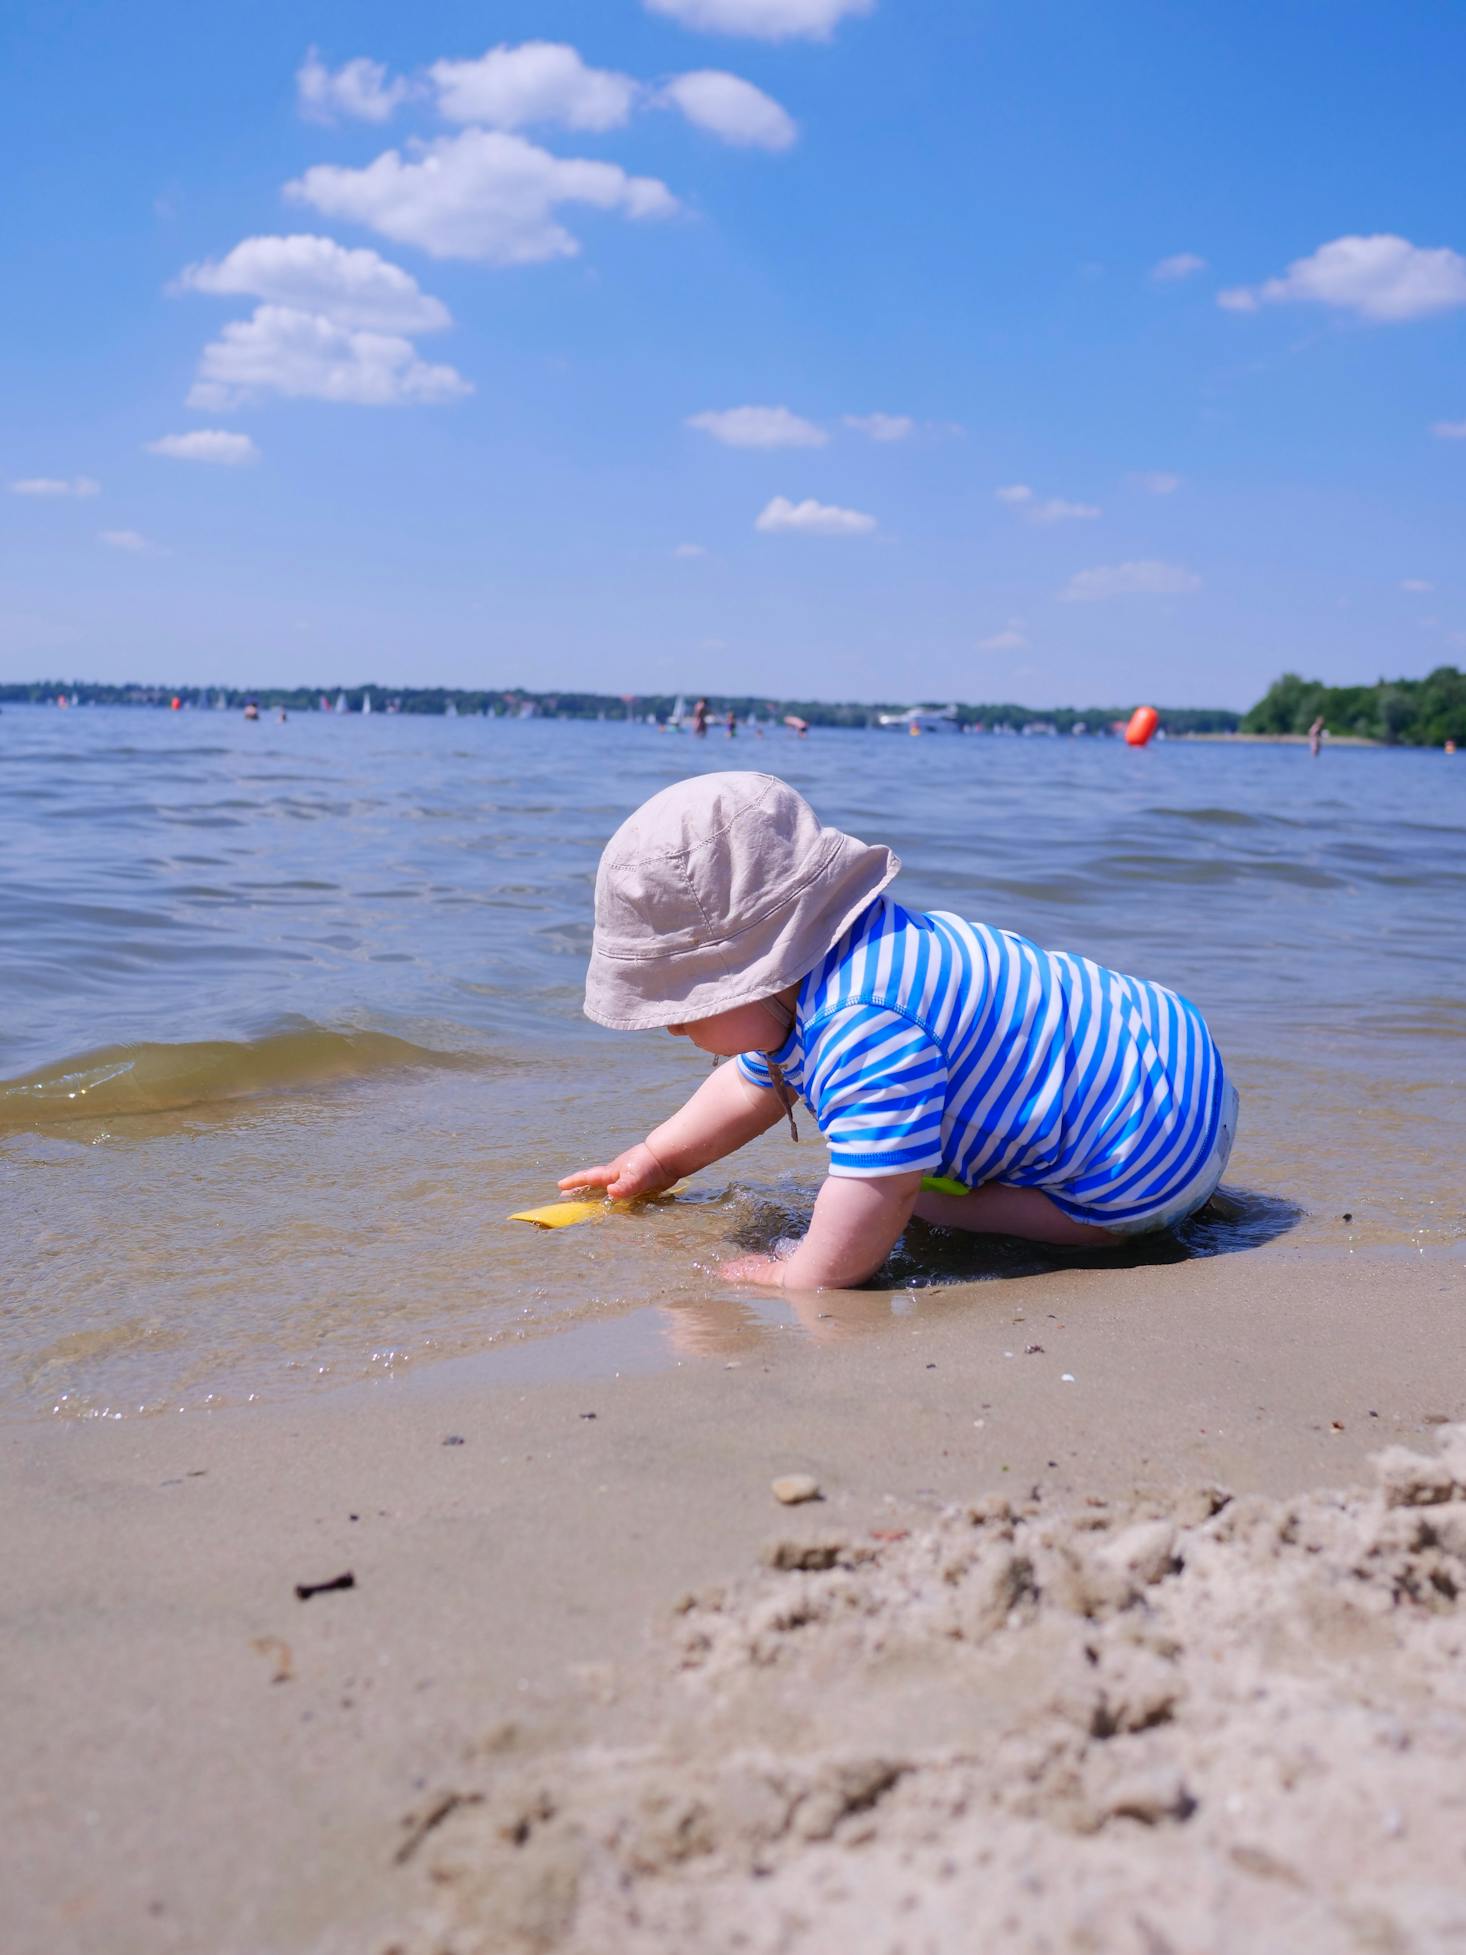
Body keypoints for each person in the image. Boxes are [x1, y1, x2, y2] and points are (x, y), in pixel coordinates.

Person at [561, 774, 1238, 1290]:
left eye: (682, 1000)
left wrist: (802, 1272)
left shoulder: (865, 1021)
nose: (673, 1023)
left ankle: (1115, 1224)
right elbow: (756, 1084)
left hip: (1147, 1162)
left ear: (754, 970)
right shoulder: (849, 954)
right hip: (1170, 1050)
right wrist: (658, 1159)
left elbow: (881, 1184)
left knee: (929, 1208)